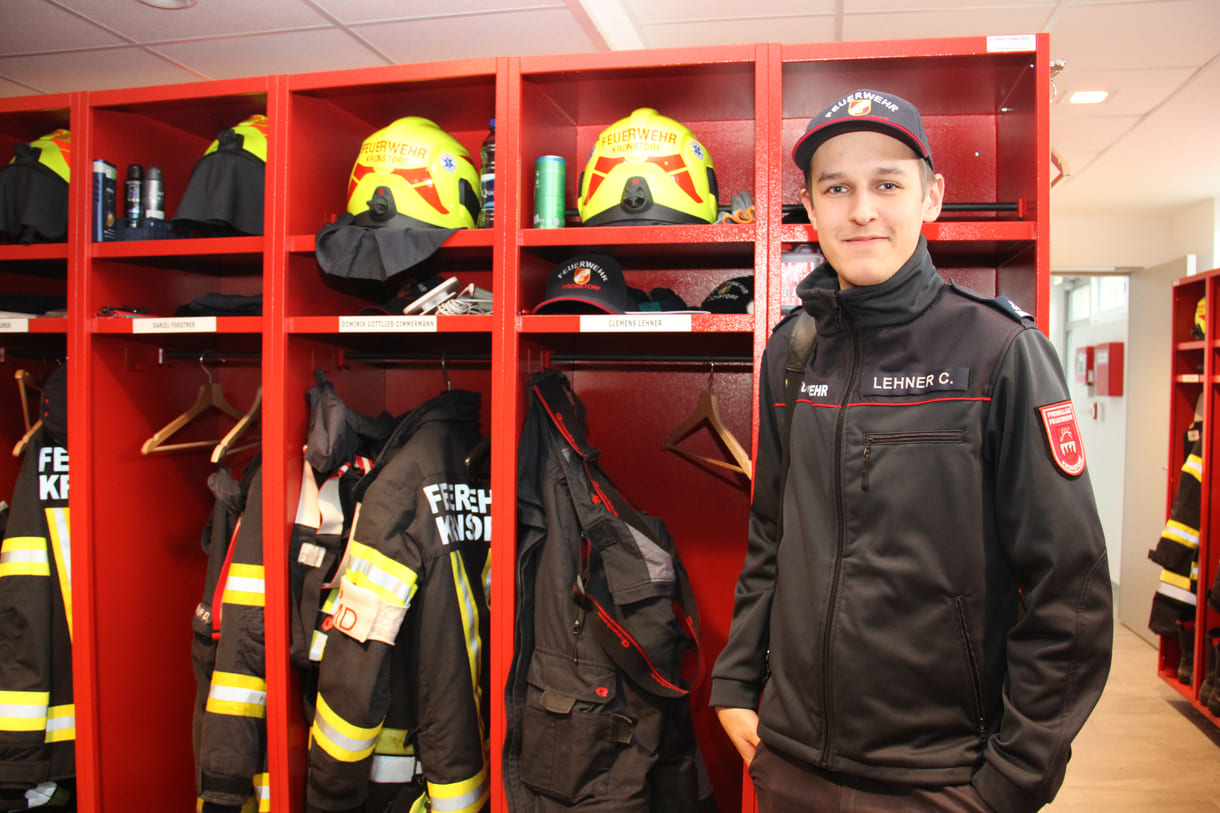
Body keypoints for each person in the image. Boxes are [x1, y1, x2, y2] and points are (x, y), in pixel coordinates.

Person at [709, 89, 1113, 813]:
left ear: (933, 197)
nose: (862, 209)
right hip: (791, 762)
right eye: (837, 188)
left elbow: (1072, 587)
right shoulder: (791, 351)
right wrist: (738, 681)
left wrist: (1012, 780)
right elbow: (771, 532)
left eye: (887, 184)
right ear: (809, 204)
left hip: (942, 780)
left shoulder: (1001, 352)